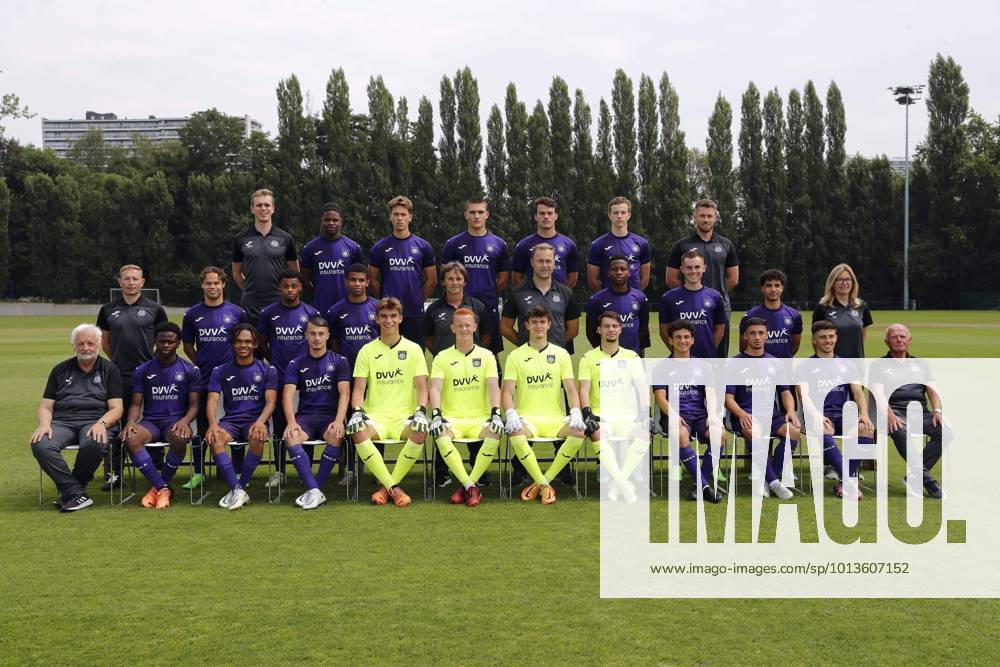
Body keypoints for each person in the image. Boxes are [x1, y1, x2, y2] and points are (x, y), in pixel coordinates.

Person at [345, 297, 430, 508]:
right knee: (357, 431)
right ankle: (395, 488)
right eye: (384, 316)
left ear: (400, 318)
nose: (388, 321)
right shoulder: (367, 351)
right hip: (376, 416)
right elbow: (358, 390)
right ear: (376, 319)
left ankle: (386, 488)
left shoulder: (414, 349)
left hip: (404, 416)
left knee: (420, 431)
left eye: (393, 316)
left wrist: (420, 411)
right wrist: (357, 411)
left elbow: (422, 388)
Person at [31, 324, 124, 512]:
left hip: (96, 420)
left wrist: (102, 424)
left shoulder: (110, 369)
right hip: (63, 422)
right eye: (80, 343)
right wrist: (44, 424)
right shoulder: (60, 370)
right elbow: (46, 405)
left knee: (94, 442)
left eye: (90, 343)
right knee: (40, 443)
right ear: (74, 346)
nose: (85, 348)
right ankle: (75, 493)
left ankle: (72, 492)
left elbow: (117, 408)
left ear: (98, 344)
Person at [502, 306, 587, 505]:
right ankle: (544, 484)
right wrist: (511, 413)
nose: (538, 326)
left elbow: (571, 389)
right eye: (534, 322)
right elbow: (507, 391)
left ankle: (543, 481)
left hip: (554, 419)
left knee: (579, 432)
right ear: (526, 325)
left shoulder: (561, 354)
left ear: (549, 324)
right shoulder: (516, 356)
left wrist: (575, 410)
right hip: (527, 419)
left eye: (542, 322)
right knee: (515, 433)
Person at [97, 264, 168, 490]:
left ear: (142, 282)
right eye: (126, 279)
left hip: (149, 375)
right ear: (119, 282)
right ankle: (115, 472)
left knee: (153, 419)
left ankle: (156, 468)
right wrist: (116, 362)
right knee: (118, 423)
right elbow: (105, 342)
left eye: (135, 279)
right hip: (119, 375)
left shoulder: (155, 309)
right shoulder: (107, 309)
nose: (130, 282)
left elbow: (163, 341)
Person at [428, 308, 505, 507]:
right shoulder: (441, 357)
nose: (463, 328)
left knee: (495, 434)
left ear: (475, 327)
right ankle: (471, 486)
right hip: (452, 419)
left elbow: (493, 387)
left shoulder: (487, 356)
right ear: (452, 328)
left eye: (467, 325)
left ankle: (466, 486)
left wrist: (495, 414)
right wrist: (437, 415)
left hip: (480, 418)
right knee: (440, 434)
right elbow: (435, 389)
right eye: (459, 325)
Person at [181, 266, 248, 490]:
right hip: (205, 377)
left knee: (237, 420)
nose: (212, 287)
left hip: (234, 377)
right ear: (202, 285)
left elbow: (244, 343)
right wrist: (201, 362)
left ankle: (236, 470)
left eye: (216, 283)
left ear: (223, 284)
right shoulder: (192, 314)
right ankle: (199, 472)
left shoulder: (236, 313)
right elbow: (188, 346)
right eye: (208, 283)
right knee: (202, 425)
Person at [122, 322, 200, 510]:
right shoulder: (143, 370)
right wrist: (131, 422)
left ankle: (157, 487)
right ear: (155, 341)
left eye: (170, 342)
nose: (166, 345)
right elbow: (135, 404)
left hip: (176, 421)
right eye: (162, 341)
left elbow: (195, 404)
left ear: (178, 343)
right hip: (151, 422)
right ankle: (163, 487)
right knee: (130, 438)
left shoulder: (190, 370)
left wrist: (185, 421)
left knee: (180, 438)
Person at [578, 311, 653, 504]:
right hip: (602, 417)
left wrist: (645, 412)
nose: (610, 330)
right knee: (597, 434)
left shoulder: (632, 356)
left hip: (628, 417)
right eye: (606, 326)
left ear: (620, 329)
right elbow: (584, 389)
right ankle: (625, 486)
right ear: (598, 329)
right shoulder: (588, 358)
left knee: (645, 434)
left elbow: (643, 387)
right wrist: (587, 412)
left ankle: (616, 484)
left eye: (614, 326)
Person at [204, 324, 279, 511]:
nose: (243, 345)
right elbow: (212, 401)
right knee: (215, 438)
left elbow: (271, 402)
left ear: (255, 344)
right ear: (233, 344)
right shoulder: (220, 370)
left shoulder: (268, 370)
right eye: (238, 341)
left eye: (247, 342)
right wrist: (213, 424)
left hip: (255, 420)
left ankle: (239, 488)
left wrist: (261, 422)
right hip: (231, 422)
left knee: (258, 436)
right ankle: (238, 490)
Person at [797, 320, 874, 500]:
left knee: (866, 429)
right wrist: (817, 415)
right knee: (823, 428)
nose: (828, 340)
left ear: (836, 338)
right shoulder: (804, 366)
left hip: (843, 414)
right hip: (819, 415)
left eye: (831, 336)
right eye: (823, 337)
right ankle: (849, 480)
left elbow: (857, 392)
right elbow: (804, 395)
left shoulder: (847, 364)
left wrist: (863, 414)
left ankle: (844, 482)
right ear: (814, 340)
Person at [724, 317, 799, 499]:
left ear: (766, 335)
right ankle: (774, 483)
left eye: (761, 333)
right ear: (745, 337)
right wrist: (741, 413)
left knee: (794, 432)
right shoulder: (734, 364)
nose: (757, 337)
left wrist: (791, 411)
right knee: (754, 432)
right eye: (752, 333)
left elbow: (785, 393)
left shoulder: (775, 362)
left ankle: (767, 478)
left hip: (771, 415)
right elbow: (728, 398)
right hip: (745, 415)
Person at [281, 316, 351, 510]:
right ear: (306, 335)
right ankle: (314, 490)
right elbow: (287, 396)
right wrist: (291, 422)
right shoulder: (296, 363)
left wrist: (339, 421)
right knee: (291, 436)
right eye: (312, 334)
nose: (317, 338)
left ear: (328, 336)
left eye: (321, 334)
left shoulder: (339, 361)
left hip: (330, 417)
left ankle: (314, 488)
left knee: (336, 435)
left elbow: (345, 394)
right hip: (306, 418)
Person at [257, 270, 319, 487]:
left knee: (307, 420)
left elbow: (318, 342)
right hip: (280, 375)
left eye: (294, 285)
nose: (290, 290)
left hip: (308, 377)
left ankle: (306, 469)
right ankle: (280, 471)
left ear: (300, 287)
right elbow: (262, 342)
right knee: (280, 423)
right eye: (286, 286)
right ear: (279, 288)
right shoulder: (269, 313)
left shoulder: (311, 313)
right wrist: (273, 361)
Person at [870, 324, 947, 499]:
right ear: (886, 341)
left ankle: (914, 477)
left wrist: (937, 411)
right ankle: (927, 481)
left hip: (920, 413)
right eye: (895, 337)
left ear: (909, 340)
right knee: (900, 431)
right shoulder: (878, 365)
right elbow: (877, 394)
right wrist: (889, 415)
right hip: (893, 411)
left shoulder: (921, 364)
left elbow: (933, 391)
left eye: (903, 336)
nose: (899, 339)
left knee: (945, 431)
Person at [652, 320, 724, 503]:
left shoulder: (703, 365)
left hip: (700, 416)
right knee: (681, 435)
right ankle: (705, 487)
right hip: (675, 416)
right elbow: (660, 397)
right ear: (670, 340)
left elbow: (711, 393)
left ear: (692, 340)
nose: (682, 341)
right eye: (678, 337)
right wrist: (674, 415)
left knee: (719, 434)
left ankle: (699, 485)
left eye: (686, 337)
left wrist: (714, 415)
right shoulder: (661, 367)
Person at [326, 263, 379, 487]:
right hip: (347, 376)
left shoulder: (377, 307)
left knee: (375, 420)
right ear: (346, 282)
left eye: (361, 280)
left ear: (368, 282)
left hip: (375, 375)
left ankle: (378, 469)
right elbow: (335, 343)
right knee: (349, 423)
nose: (357, 284)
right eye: (353, 280)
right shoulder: (336, 310)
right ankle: (349, 469)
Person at [666, 198, 739, 357]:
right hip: (687, 309)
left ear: (715, 217)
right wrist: (689, 295)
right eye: (702, 216)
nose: (706, 219)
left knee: (717, 355)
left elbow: (733, 278)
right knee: (684, 350)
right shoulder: (681, 245)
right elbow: (671, 278)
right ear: (694, 217)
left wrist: (711, 298)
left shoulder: (726, 244)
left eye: (709, 216)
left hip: (719, 307)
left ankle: (715, 382)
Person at [441, 196, 510, 357]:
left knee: (490, 356)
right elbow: (445, 275)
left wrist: (488, 292)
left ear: (487, 214)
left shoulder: (499, 244)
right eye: (473, 212)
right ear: (466, 215)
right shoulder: (453, 243)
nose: (477, 216)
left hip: (488, 307)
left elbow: (504, 278)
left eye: (480, 212)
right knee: (457, 353)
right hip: (460, 308)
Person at [368, 195, 437, 349]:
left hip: (414, 312)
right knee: (388, 354)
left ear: (410, 217)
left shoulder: (423, 246)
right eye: (396, 214)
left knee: (416, 354)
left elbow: (432, 280)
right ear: (390, 217)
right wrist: (385, 299)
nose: (399, 218)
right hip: (389, 314)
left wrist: (417, 299)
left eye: (403, 214)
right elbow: (371, 279)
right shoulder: (380, 247)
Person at [231, 188, 299, 326]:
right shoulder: (240, 238)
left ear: (273, 208)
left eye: (267, 205)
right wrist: (250, 289)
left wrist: (285, 291)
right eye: (259, 205)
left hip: (279, 301)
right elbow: (236, 273)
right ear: (252, 208)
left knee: (279, 344)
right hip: (251, 303)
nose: (263, 208)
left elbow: (295, 273)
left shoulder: (285, 238)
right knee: (250, 345)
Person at [501, 243, 580, 351]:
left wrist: (556, 346)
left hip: (555, 358)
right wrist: (523, 344)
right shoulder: (517, 293)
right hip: (527, 357)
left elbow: (573, 329)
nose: (544, 265)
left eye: (548, 261)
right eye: (540, 261)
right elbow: (505, 327)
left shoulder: (566, 293)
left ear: (554, 263)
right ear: (532, 262)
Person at [659, 249, 726, 359]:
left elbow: (720, 329)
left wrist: (710, 348)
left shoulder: (715, 296)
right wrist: (677, 351)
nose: (693, 271)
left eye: (697, 267)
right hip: (679, 360)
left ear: (704, 268)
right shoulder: (669, 297)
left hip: (707, 358)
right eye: (689, 267)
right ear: (682, 269)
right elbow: (663, 331)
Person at [300, 203, 364, 315]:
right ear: (321, 221)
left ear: (341, 222)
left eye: (335, 220)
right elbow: (305, 280)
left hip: (347, 307)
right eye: (327, 220)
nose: (331, 223)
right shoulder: (310, 248)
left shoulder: (353, 248)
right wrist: (317, 293)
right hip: (320, 308)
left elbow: (360, 278)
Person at [585, 255, 649, 355]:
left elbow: (643, 330)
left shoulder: (640, 297)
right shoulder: (597, 299)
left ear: (628, 272)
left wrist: (640, 357)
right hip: (607, 356)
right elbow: (591, 332)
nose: (619, 272)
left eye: (623, 269)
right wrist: (602, 352)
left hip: (633, 356)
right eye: (614, 269)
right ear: (608, 273)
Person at [423, 261, 491, 355]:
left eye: (459, 279)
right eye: (450, 279)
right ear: (443, 282)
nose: (455, 283)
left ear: (465, 282)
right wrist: (441, 355)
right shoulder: (433, 309)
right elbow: (428, 339)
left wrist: (471, 355)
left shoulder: (478, 307)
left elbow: (486, 337)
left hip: (472, 365)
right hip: (444, 365)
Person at [511, 196, 578, 288]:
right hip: (532, 300)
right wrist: (526, 297)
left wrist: (563, 296)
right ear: (535, 216)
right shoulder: (523, 245)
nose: (546, 217)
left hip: (559, 300)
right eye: (542, 213)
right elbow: (516, 278)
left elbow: (572, 278)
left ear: (556, 216)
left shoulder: (569, 245)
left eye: (550, 213)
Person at [586, 196, 651, 291]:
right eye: (615, 213)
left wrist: (634, 296)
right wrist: (606, 297)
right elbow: (593, 281)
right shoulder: (598, 244)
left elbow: (645, 279)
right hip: (608, 301)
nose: (619, 216)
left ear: (629, 215)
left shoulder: (642, 243)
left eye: (623, 212)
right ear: (609, 215)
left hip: (633, 302)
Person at [811, 263, 873, 359]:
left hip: (856, 363)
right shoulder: (822, 308)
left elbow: (861, 337)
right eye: (840, 279)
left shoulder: (861, 306)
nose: (845, 283)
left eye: (848, 279)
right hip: (832, 366)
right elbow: (816, 340)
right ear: (832, 283)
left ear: (853, 282)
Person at [739, 269, 802, 358]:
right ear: (762, 288)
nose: (773, 289)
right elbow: (744, 348)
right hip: (759, 368)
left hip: (785, 368)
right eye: (769, 286)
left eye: (777, 285)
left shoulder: (794, 315)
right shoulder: (750, 316)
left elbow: (794, 347)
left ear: (782, 288)